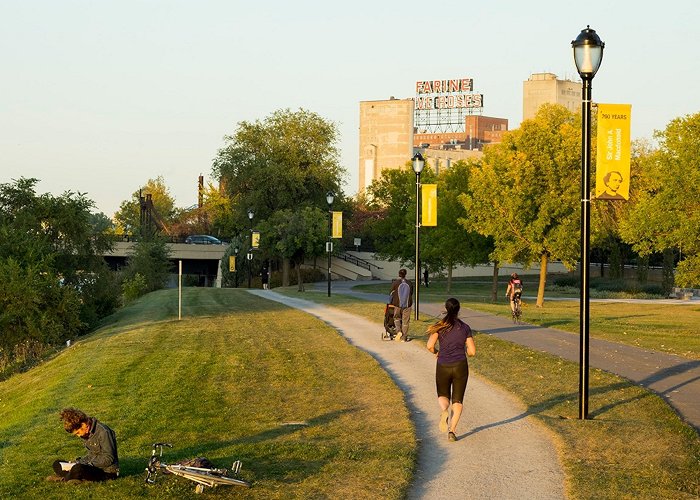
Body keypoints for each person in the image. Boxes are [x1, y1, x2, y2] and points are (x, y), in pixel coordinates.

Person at [426, 298, 476, 442]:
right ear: (458, 309)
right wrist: (466, 350)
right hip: (460, 365)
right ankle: (452, 431)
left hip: (443, 365)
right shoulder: (465, 327)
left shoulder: (439, 326)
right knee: (458, 400)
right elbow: (472, 351)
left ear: (446, 308)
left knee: (443, 395)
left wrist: (436, 352)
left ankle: (444, 411)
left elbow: (429, 345)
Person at [49, 408, 119, 482]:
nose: (79, 436)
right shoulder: (87, 433)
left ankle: (64, 479)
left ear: (83, 425)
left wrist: (87, 464)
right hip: (92, 466)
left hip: (107, 471)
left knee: (78, 469)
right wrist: (79, 462)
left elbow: (108, 459)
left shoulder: (104, 432)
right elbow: (91, 454)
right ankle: (73, 477)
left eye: (78, 432)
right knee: (57, 464)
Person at [389, 268, 414, 342]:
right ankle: (404, 337)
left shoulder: (395, 283)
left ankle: (398, 332)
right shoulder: (409, 283)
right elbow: (411, 293)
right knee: (405, 321)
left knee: (397, 318)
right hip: (407, 305)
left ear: (399, 274)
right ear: (405, 274)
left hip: (397, 304)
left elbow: (391, 293)